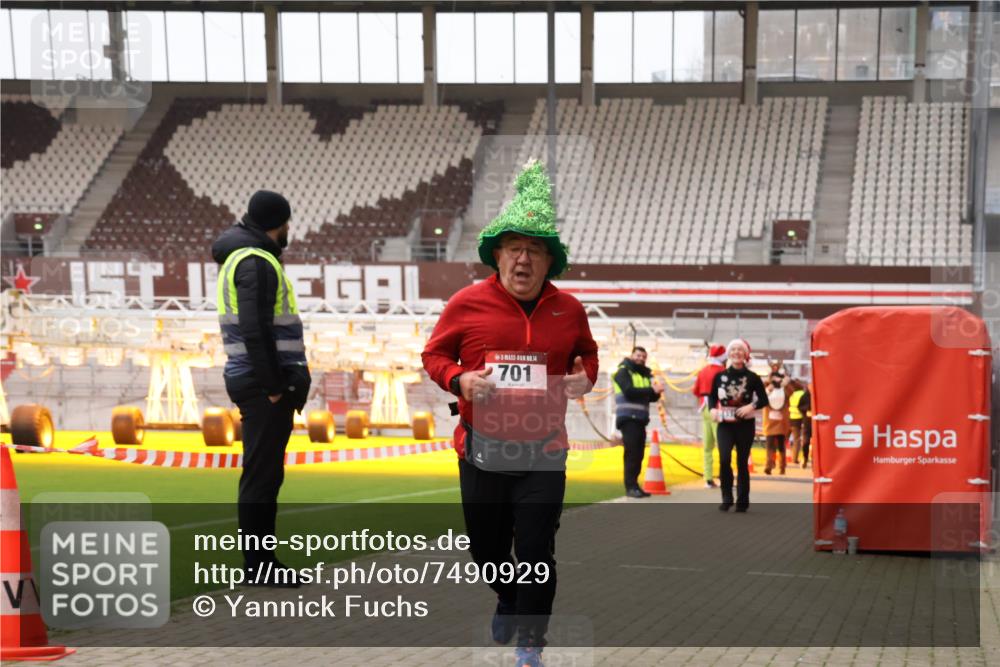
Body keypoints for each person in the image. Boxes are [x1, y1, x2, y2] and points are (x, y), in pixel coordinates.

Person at [422, 160, 598, 667]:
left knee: (538, 551)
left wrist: (584, 376)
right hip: (482, 451)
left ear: (549, 262)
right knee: (487, 550)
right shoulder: (466, 304)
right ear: (497, 254)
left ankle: (531, 645)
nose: (523, 260)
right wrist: (461, 380)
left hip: (544, 451)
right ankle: (506, 596)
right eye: (515, 248)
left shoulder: (570, 310)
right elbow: (433, 356)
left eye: (535, 250)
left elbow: (588, 356)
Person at [212, 190, 311, 585]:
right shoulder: (256, 261)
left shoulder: (241, 257)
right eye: (286, 223)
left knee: (264, 474)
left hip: (253, 379)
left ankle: (261, 564)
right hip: (262, 384)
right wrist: (274, 386)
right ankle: (260, 567)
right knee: (262, 476)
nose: (289, 230)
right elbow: (256, 330)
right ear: (279, 222)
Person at [708, 338, 768, 512]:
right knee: (724, 458)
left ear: (746, 355)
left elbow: (763, 399)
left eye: (740, 350)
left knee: (742, 461)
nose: (736, 352)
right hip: (725, 425)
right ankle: (726, 497)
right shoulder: (719, 376)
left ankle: (742, 500)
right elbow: (711, 396)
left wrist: (751, 406)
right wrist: (712, 409)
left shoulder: (753, 377)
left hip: (745, 425)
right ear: (728, 354)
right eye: (733, 349)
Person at [613, 346, 664, 498]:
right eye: (638, 355)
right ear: (631, 355)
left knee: (639, 454)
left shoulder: (645, 375)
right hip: (628, 419)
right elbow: (629, 391)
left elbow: (650, 397)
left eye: (643, 356)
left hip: (640, 419)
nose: (641, 358)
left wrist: (658, 391)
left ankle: (635, 485)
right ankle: (630, 487)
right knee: (632, 454)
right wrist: (651, 391)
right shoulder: (623, 372)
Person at [692, 344, 727, 488]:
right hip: (719, 408)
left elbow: (696, 390)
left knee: (707, 446)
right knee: (724, 445)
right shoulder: (724, 371)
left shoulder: (703, 371)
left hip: (704, 407)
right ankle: (725, 477)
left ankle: (708, 478)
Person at [762, 376, 790, 475]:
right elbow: (761, 397)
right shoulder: (767, 389)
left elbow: (792, 391)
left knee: (781, 446)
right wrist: (769, 382)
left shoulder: (785, 390)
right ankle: (769, 466)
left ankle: (782, 467)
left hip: (781, 423)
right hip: (770, 423)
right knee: (770, 446)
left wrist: (786, 382)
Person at [788, 379, 806, 464]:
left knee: (784, 439)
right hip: (799, 418)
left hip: (789, 417)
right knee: (797, 439)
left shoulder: (790, 394)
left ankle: (782, 457)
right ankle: (795, 458)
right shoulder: (802, 393)